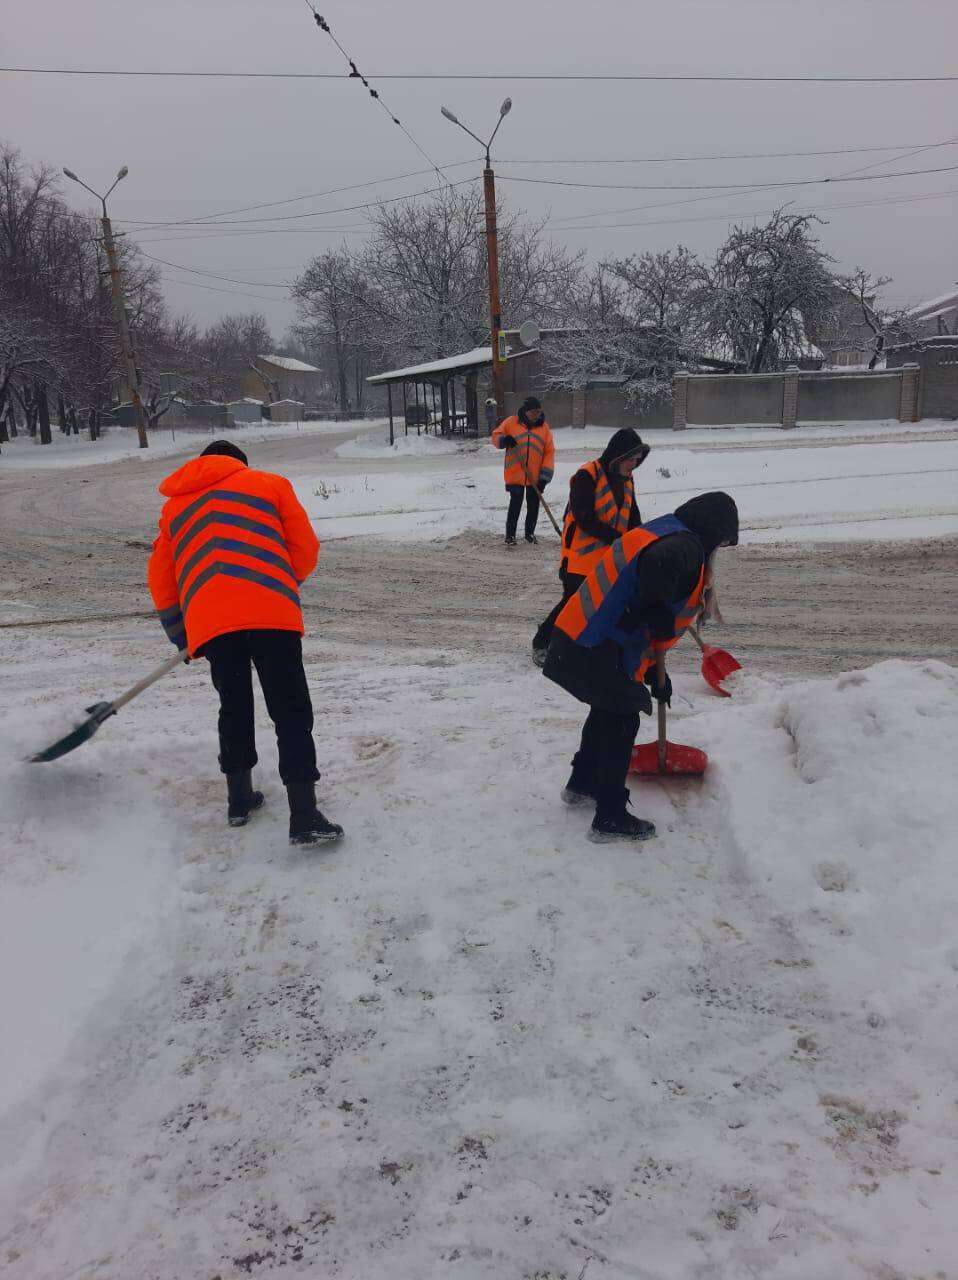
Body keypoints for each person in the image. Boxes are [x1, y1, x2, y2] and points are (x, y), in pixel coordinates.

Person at [147, 440, 344, 847]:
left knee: (233, 704)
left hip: (213, 625)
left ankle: (239, 801)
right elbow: (305, 548)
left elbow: (162, 579)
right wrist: (282, 585)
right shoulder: (269, 484)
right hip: (272, 614)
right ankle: (304, 814)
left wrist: (180, 632)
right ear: (240, 464)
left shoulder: (174, 508)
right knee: (290, 708)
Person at [542, 492, 739, 844]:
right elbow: (657, 569)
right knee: (623, 717)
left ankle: (582, 784)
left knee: (606, 709)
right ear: (713, 530)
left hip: (578, 636)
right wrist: (657, 609)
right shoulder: (685, 546)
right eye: (722, 541)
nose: (718, 550)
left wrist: (651, 672)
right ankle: (609, 817)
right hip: (594, 640)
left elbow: (636, 600)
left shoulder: (663, 530)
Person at [532, 428, 650, 665]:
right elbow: (583, 516)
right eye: (631, 460)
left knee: (603, 604)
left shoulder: (626, 479)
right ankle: (542, 642)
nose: (634, 465)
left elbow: (632, 513)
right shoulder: (588, 475)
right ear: (618, 456)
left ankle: (588, 644)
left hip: (610, 557)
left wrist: (640, 539)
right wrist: (618, 538)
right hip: (579, 556)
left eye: (637, 461)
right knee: (573, 602)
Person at [491, 396, 555, 545]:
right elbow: (495, 436)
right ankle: (510, 535)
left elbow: (549, 452)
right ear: (526, 411)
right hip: (515, 473)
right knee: (515, 504)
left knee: (533, 505)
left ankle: (529, 534)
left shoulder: (544, 427)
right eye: (533, 411)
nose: (536, 414)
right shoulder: (511, 422)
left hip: (535, 475)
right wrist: (504, 440)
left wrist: (544, 477)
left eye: (539, 412)